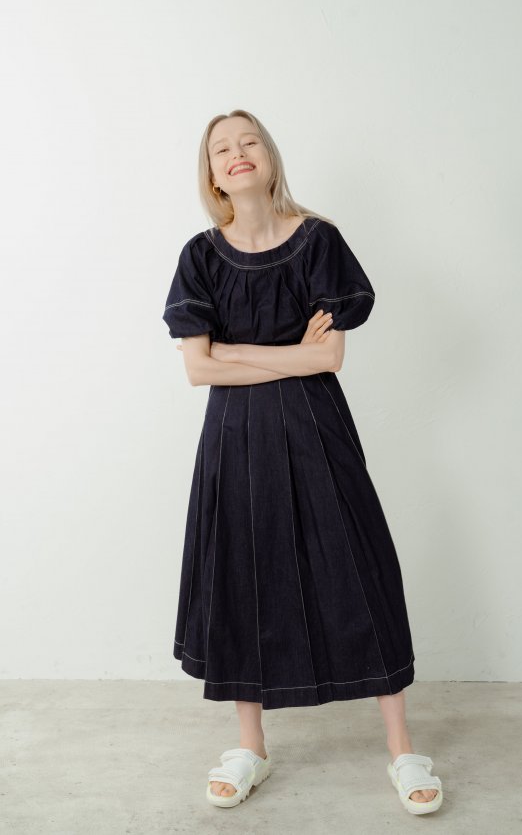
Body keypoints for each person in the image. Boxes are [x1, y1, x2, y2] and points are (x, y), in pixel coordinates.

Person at [162, 109, 443, 815]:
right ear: (211, 173)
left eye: (248, 141)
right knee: (240, 572)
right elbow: (198, 370)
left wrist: (233, 351)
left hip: (317, 427)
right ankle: (249, 747)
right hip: (234, 437)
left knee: (358, 566)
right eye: (221, 149)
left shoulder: (319, 241)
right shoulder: (200, 256)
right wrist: (290, 354)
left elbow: (330, 357)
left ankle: (403, 748)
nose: (237, 153)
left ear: (269, 155)